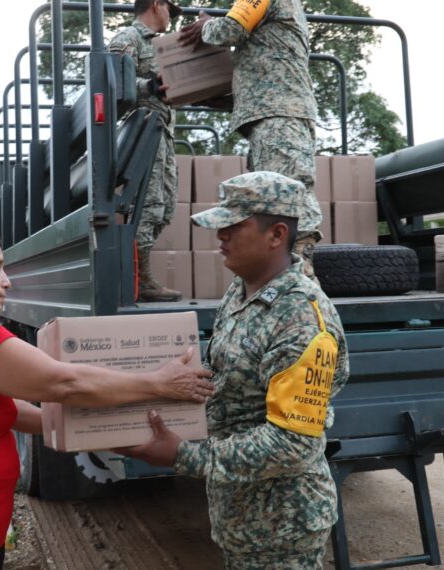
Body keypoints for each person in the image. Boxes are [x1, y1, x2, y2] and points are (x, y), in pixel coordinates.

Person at [0, 222, 214, 570]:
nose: (7, 281)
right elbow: (63, 384)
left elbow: (11, 411)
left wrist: (107, 435)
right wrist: (158, 383)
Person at [120, 172, 350, 569]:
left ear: (277, 235)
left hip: (283, 524)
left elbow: (292, 444)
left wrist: (182, 454)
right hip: (240, 511)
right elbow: (226, 380)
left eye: (233, 226)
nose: (221, 236)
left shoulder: (301, 317)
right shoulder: (242, 290)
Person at [179, 0, 325, 279]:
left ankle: (301, 278)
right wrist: (221, 99)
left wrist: (205, 24)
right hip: (273, 113)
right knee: (273, 200)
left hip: (279, 114)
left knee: (288, 193)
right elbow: (266, 69)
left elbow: (229, 30)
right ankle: (286, 277)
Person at [108, 0, 185, 302]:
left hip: (161, 134)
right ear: (156, 5)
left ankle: (140, 273)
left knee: (164, 206)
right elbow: (111, 81)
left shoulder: (164, 46)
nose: (171, 17)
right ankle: (137, 278)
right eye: (170, 9)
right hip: (140, 133)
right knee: (149, 206)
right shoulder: (128, 39)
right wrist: (148, 87)